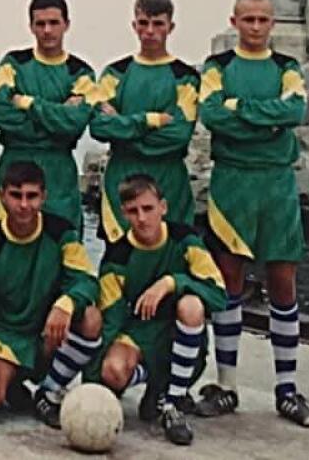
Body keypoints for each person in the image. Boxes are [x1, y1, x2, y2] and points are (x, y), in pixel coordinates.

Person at [194, 0, 309, 427]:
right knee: (229, 280)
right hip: (232, 182)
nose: (255, 26)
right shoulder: (217, 67)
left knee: (283, 281)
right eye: (247, 19)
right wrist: (268, 122)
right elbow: (212, 115)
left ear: (272, 23)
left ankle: (287, 390)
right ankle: (227, 386)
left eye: (263, 19)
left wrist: (240, 111)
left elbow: (295, 110)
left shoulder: (287, 67)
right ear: (234, 22)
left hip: (277, 184)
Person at [0, 161, 102, 428]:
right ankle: (9, 381)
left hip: (48, 333)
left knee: (91, 317)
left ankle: (48, 392)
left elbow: (87, 281)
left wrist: (66, 303)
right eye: (16, 196)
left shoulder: (61, 232)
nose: (24, 205)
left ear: (44, 196)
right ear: (2, 196)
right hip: (4, 338)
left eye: (32, 196)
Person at [93, 174, 227, 446]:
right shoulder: (117, 256)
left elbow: (218, 294)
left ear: (163, 207)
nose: (142, 218)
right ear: (123, 213)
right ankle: (157, 387)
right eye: (133, 211)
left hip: (177, 332)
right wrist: (94, 383)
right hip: (139, 332)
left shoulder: (185, 240)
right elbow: (110, 320)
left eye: (148, 208)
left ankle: (173, 404)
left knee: (191, 305)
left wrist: (171, 282)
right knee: (112, 371)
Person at [90, 0, 200, 243]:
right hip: (122, 177)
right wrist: (150, 121)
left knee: (171, 254)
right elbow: (98, 126)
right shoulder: (115, 73)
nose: (150, 31)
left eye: (158, 23)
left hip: (168, 179)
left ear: (170, 27)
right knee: (120, 257)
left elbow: (179, 134)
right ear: (134, 25)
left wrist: (122, 124)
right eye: (143, 23)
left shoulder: (185, 77)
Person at [0, 0, 96, 224]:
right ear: (31, 26)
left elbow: (74, 123)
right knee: (8, 238)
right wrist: (56, 117)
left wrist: (27, 103)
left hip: (59, 172)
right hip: (15, 164)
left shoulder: (80, 72)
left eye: (54, 23)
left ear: (66, 24)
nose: (47, 30)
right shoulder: (13, 64)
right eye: (40, 24)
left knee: (62, 240)